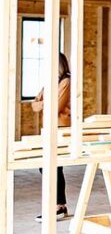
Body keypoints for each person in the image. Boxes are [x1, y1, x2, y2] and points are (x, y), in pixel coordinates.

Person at [32, 51, 71, 221]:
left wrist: (44, 103)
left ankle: (58, 206)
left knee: (52, 166)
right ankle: (59, 205)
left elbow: (55, 107)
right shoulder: (50, 84)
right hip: (49, 128)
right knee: (46, 165)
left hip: (61, 129)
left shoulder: (66, 82)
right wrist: (44, 102)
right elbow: (35, 106)